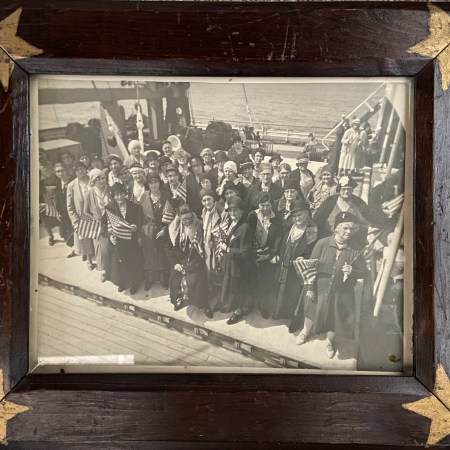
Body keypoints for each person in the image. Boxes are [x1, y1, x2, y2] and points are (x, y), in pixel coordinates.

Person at [306, 212, 367, 359]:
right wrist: (310, 288)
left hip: (341, 291)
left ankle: (329, 342)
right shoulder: (322, 243)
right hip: (319, 288)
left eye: (351, 228)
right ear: (336, 228)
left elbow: (363, 272)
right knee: (311, 310)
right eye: (345, 228)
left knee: (334, 317)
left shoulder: (356, 249)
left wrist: (353, 272)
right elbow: (310, 267)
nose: (349, 231)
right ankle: (305, 332)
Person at [272, 200, 318, 334]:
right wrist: (277, 254)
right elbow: (281, 241)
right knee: (283, 289)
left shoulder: (311, 230)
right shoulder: (290, 227)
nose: (297, 218)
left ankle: (295, 319)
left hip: (299, 268)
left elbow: (312, 249)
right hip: (286, 263)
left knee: (295, 292)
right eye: (295, 216)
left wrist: (304, 257)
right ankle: (281, 312)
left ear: (306, 214)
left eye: (300, 215)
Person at [166, 203, 213, 318]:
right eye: (184, 219)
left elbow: (203, 248)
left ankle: (203, 303)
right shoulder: (174, 228)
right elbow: (168, 248)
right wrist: (175, 264)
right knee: (175, 279)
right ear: (179, 218)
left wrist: (194, 263)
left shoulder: (199, 226)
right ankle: (179, 298)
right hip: (179, 261)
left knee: (197, 279)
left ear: (192, 215)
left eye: (189, 218)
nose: (187, 221)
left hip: (194, 260)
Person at [214, 197, 254, 325]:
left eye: (235, 210)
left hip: (239, 265)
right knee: (228, 285)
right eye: (230, 210)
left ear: (242, 211)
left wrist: (227, 249)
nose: (232, 213)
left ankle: (238, 311)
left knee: (237, 289)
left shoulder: (244, 227)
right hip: (230, 262)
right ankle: (225, 303)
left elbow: (244, 251)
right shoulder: (232, 222)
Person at [247, 191, 283, 319]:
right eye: (262, 205)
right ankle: (248, 303)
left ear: (272, 205)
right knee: (250, 277)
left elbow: (278, 240)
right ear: (258, 205)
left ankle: (263, 304)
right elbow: (248, 235)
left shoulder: (277, 219)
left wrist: (268, 255)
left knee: (265, 280)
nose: (265, 208)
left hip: (267, 253)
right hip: (253, 252)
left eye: (268, 205)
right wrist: (251, 253)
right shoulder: (252, 216)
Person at [105, 182, 144, 294]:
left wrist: (136, 228)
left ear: (125, 194)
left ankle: (134, 282)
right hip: (118, 240)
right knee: (119, 263)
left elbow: (140, 222)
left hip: (131, 239)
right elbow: (105, 223)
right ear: (113, 196)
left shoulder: (134, 206)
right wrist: (110, 236)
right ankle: (122, 283)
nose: (119, 197)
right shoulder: (109, 207)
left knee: (133, 261)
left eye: (121, 194)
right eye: (116, 195)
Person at [313, 176, 372, 245]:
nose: (346, 191)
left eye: (348, 189)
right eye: (343, 189)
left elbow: (367, 220)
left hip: (351, 241)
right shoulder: (330, 201)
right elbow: (318, 218)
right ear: (339, 189)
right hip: (328, 238)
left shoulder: (358, 203)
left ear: (352, 189)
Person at [140, 172, 170, 291]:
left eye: (155, 182)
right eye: (151, 183)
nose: (153, 185)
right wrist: (140, 235)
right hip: (148, 229)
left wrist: (165, 229)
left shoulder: (166, 196)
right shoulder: (144, 196)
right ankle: (150, 277)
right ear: (148, 184)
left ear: (159, 183)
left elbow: (172, 216)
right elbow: (140, 217)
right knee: (149, 254)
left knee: (162, 254)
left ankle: (163, 278)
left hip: (162, 229)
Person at [84, 169, 111, 283]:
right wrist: (95, 224)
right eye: (98, 179)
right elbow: (86, 212)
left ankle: (114, 271)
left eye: (103, 178)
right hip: (98, 225)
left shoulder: (111, 190)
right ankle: (104, 271)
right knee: (101, 250)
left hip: (112, 223)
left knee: (113, 248)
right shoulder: (89, 194)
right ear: (93, 182)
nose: (101, 181)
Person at [67, 162, 95, 270]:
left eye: (82, 168)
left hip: (94, 213)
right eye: (77, 170)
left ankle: (98, 256)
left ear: (86, 169)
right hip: (81, 216)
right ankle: (89, 259)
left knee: (96, 237)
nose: (80, 171)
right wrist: (75, 220)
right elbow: (70, 206)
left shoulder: (92, 180)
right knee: (85, 238)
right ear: (75, 172)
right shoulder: (71, 185)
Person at [200, 188, 224, 296]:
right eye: (204, 200)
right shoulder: (204, 211)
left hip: (217, 244)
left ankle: (220, 292)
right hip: (207, 243)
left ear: (213, 199)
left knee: (217, 267)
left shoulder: (221, 211)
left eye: (208, 199)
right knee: (209, 268)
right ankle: (212, 290)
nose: (207, 202)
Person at [53, 163, 75, 256]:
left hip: (74, 210)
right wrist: (57, 211)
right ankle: (74, 248)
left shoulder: (73, 181)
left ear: (67, 170)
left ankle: (83, 250)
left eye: (62, 170)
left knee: (76, 229)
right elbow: (57, 198)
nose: (60, 173)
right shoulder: (58, 183)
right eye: (58, 171)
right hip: (63, 211)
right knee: (68, 230)